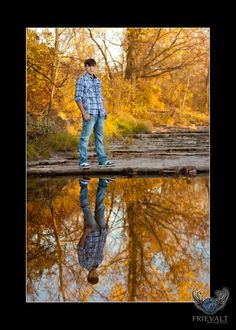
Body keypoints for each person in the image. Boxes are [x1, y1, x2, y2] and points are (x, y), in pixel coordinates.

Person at [74, 58, 115, 169]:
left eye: (93, 66)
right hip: (89, 114)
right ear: (86, 67)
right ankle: (83, 161)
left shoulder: (98, 81)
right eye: (89, 66)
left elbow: (100, 97)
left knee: (100, 137)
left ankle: (102, 160)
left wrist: (104, 111)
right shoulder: (81, 80)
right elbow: (78, 98)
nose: (91, 68)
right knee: (85, 138)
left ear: (95, 67)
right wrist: (84, 113)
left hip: (100, 113)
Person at [77, 177, 114, 284]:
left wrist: (85, 233)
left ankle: (83, 185)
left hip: (91, 232)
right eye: (96, 275)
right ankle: (103, 183)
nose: (94, 273)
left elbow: (80, 247)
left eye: (92, 275)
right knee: (101, 207)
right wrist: (106, 232)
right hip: (101, 231)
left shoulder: (83, 263)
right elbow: (102, 245)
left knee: (86, 208)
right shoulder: (99, 261)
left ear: (88, 275)